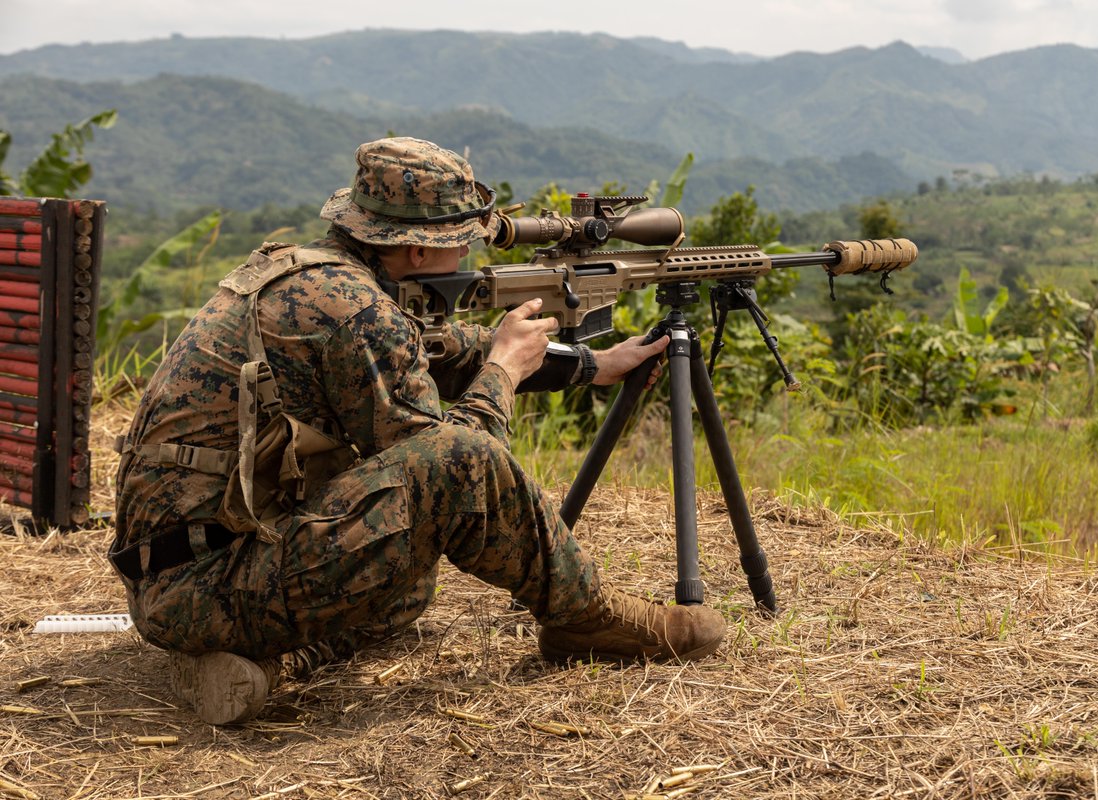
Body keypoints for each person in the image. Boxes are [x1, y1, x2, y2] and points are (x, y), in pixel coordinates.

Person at [108, 137, 726, 725]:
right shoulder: (359, 313)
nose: (467, 255)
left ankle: (269, 664)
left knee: (407, 581)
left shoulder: (320, 279)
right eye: (459, 242)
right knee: (453, 465)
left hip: (182, 574)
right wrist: (503, 372)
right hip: (205, 583)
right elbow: (452, 467)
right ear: (420, 252)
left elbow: (449, 350)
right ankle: (586, 618)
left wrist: (596, 364)